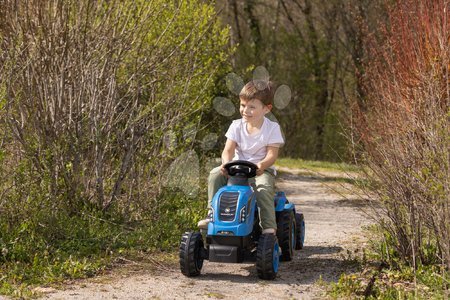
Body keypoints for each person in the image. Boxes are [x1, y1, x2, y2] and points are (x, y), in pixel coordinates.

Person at [198, 80, 284, 234]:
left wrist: (262, 165)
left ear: (266, 108)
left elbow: (272, 155)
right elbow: (228, 150)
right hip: (236, 169)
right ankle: (212, 214)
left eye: (252, 107)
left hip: (261, 171)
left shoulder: (272, 128)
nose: (245, 110)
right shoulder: (236, 125)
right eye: (243, 105)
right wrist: (226, 164)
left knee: (263, 189)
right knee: (214, 175)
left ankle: (269, 228)